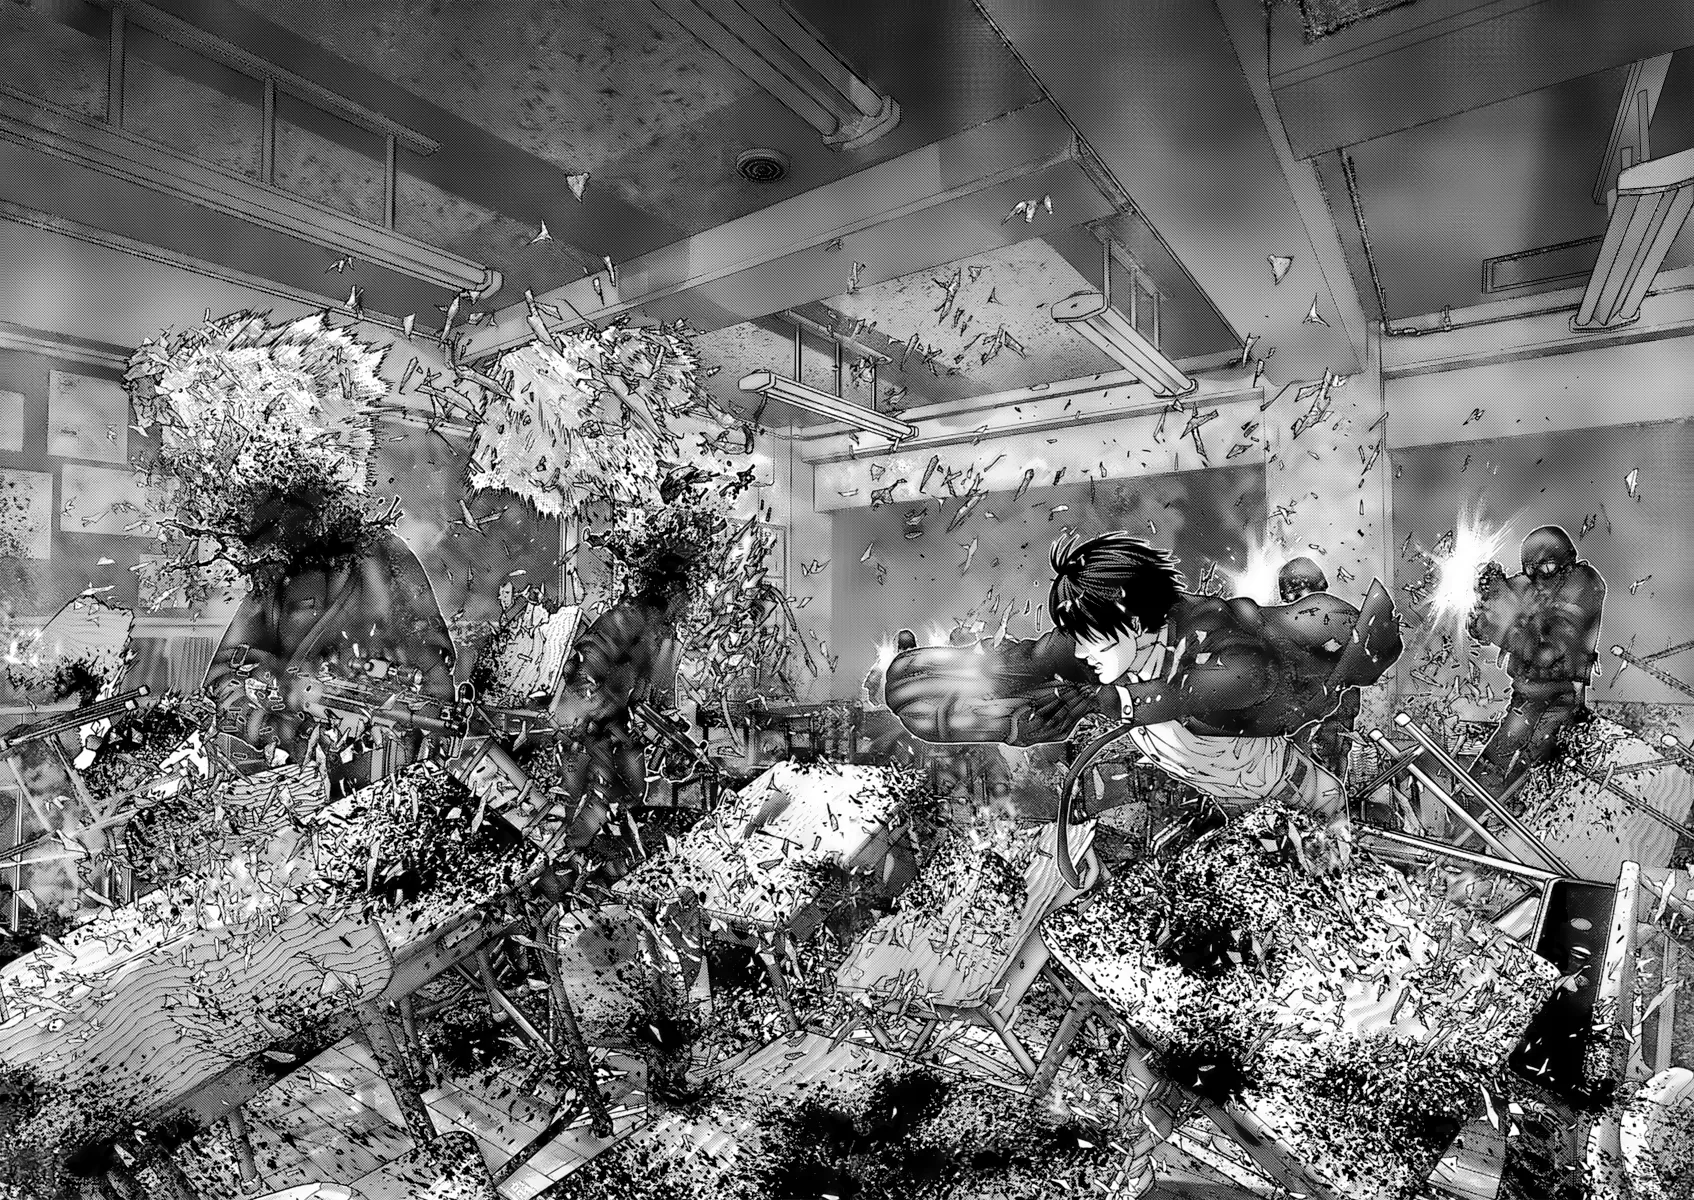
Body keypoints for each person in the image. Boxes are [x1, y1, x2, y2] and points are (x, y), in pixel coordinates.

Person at [885, 533, 1402, 826]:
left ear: (1133, 618)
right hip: (1224, 795)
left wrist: (1107, 701)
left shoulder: (1222, 638)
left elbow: (1226, 683)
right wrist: (944, 680)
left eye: (1091, 639)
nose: (1082, 653)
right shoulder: (1104, 643)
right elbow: (1029, 659)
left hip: (1291, 788)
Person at [203, 520, 457, 782]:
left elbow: (434, 668)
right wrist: (283, 721)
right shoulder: (274, 572)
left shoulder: (383, 555)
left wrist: (398, 670)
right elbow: (219, 684)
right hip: (299, 780)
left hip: (393, 768)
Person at [1468, 525, 1606, 793]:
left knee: (1534, 768)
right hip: (1527, 692)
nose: (1539, 576)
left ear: (1565, 562)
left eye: (1547, 567)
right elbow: (1483, 623)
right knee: (1496, 765)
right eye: (1531, 569)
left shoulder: (1582, 584)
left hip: (1560, 695)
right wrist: (1489, 597)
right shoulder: (1530, 585)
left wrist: (1500, 621)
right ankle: (1471, 809)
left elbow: (1548, 652)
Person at [1277, 556, 1362, 780]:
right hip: (1314, 712)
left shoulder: (1335, 618)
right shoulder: (1343, 615)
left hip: (1328, 710)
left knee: (1322, 770)